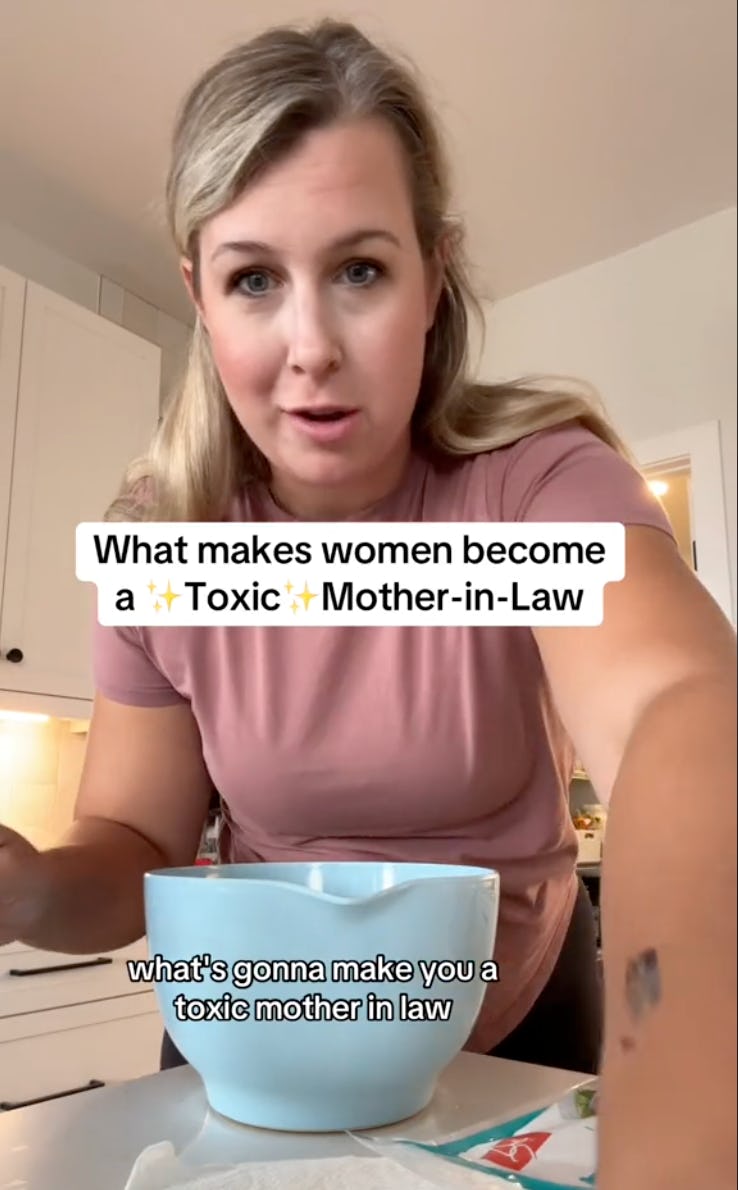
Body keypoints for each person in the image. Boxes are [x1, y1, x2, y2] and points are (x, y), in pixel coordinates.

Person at [1, 19, 735, 1188]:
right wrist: (30, 883)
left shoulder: (532, 484)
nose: (311, 350)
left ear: (434, 274)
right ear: (199, 294)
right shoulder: (162, 543)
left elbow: (676, 712)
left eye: (360, 270)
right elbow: (135, 838)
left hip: (515, 1023)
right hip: (249, 1029)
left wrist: (688, 1095)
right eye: (253, 278)